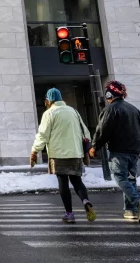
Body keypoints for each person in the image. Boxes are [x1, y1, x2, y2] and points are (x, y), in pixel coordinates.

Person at [30, 88, 96, 224]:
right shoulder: (74, 111)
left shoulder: (49, 113)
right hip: (75, 153)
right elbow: (86, 132)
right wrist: (85, 149)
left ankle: (69, 214)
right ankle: (86, 200)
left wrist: (34, 151)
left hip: (58, 154)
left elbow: (43, 135)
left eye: (46, 100)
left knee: (63, 182)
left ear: (49, 100)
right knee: (77, 181)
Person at [89, 80, 140, 224]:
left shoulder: (111, 109)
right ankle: (131, 211)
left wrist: (94, 146)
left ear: (109, 94)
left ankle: (138, 200)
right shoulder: (134, 109)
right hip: (135, 151)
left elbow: (103, 130)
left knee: (120, 177)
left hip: (119, 150)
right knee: (130, 179)